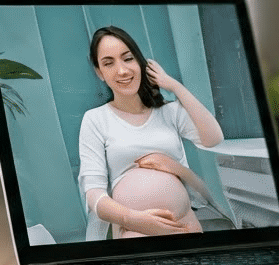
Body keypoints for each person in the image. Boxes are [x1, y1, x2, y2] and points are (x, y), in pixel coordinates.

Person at [77, 25, 226, 239]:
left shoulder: (169, 111)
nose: (122, 70)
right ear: (100, 73)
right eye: (108, 63)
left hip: (184, 225)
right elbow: (93, 193)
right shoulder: (95, 119)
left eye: (128, 59)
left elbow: (214, 138)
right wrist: (133, 219)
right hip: (134, 230)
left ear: (140, 62)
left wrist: (174, 86)